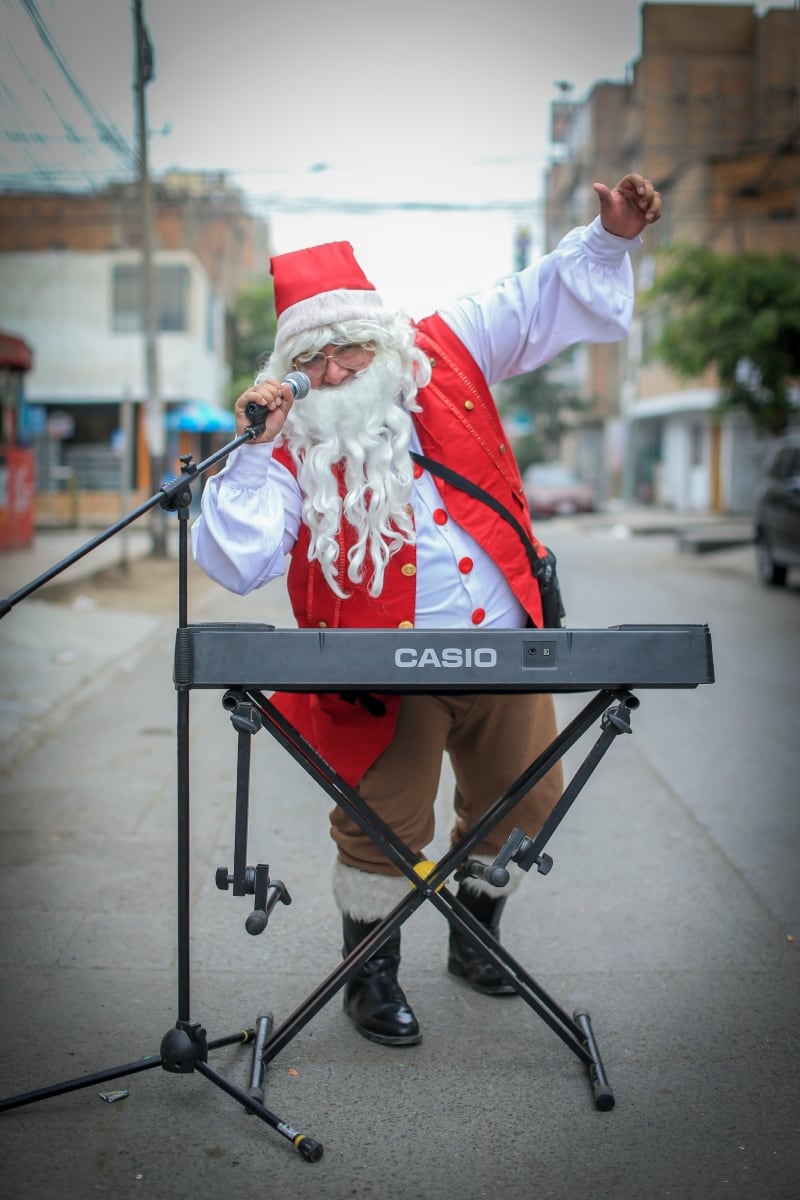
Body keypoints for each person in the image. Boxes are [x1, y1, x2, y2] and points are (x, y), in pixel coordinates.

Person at [192, 173, 662, 1047]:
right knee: (380, 827)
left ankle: (476, 934)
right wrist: (254, 455)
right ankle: (370, 971)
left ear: (382, 338)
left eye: (348, 354)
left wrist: (607, 239)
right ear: (288, 369)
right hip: (382, 673)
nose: (332, 374)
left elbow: (535, 299)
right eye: (311, 362)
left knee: (524, 800)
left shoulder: (450, 348)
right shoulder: (290, 438)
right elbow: (240, 557)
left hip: (508, 646)